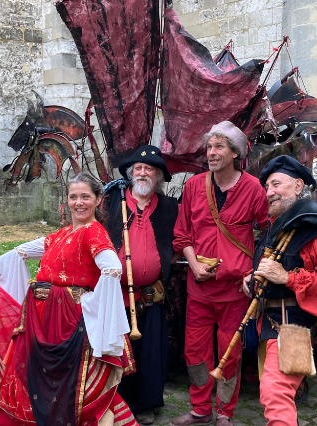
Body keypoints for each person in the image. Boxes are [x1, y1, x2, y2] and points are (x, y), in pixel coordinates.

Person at [0, 172, 138, 426]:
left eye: (85, 196)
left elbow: (111, 266)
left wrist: (99, 292)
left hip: (70, 321)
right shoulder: (61, 234)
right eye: (73, 197)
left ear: (98, 200)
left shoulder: (93, 233)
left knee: (74, 383)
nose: (79, 202)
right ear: (66, 201)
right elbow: (22, 251)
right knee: (46, 379)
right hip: (42, 319)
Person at [171, 121, 269, 426]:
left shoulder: (253, 188)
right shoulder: (193, 186)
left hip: (235, 291)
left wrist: (254, 273)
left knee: (230, 353)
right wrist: (193, 262)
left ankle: (225, 412)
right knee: (195, 351)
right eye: (209, 147)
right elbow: (182, 233)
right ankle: (201, 409)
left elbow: (268, 232)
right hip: (198, 287)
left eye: (219, 147)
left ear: (235, 152)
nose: (211, 153)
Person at [244, 155, 317, 426]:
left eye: (277, 184)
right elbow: (273, 271)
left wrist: (286, 278)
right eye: (267, 187)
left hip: (293, 328)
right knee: (274, 394)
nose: (270, 192)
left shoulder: (315, 229)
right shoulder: (277, 228)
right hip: (267, 325)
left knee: (275, 394)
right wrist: (253, 280)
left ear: (298, 185)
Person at [103, 146, 178, 425]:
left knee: (149, 353)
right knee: (118, 353)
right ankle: (117, 402)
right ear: (130, 173)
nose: (143, 172)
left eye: (149, 169)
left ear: (158, 176)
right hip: (116, 295)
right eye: (138, 168)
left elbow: (180, 241)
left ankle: (145, 404)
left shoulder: (170, 208)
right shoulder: (112, 201)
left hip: (151, 296)